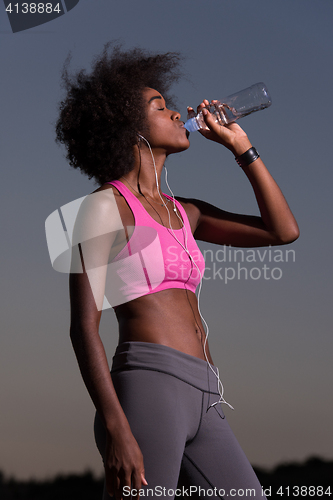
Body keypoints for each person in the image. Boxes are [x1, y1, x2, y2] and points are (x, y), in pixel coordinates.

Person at [56, 45, 299, 500]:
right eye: (160, 107)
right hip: (148, 386)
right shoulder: (103, 208)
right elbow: (83, 326)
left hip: (207, 393)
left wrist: (242, 148)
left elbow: (282, 231)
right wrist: (116, 428)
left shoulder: (187, 211)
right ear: (129, 128)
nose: (176, 113)